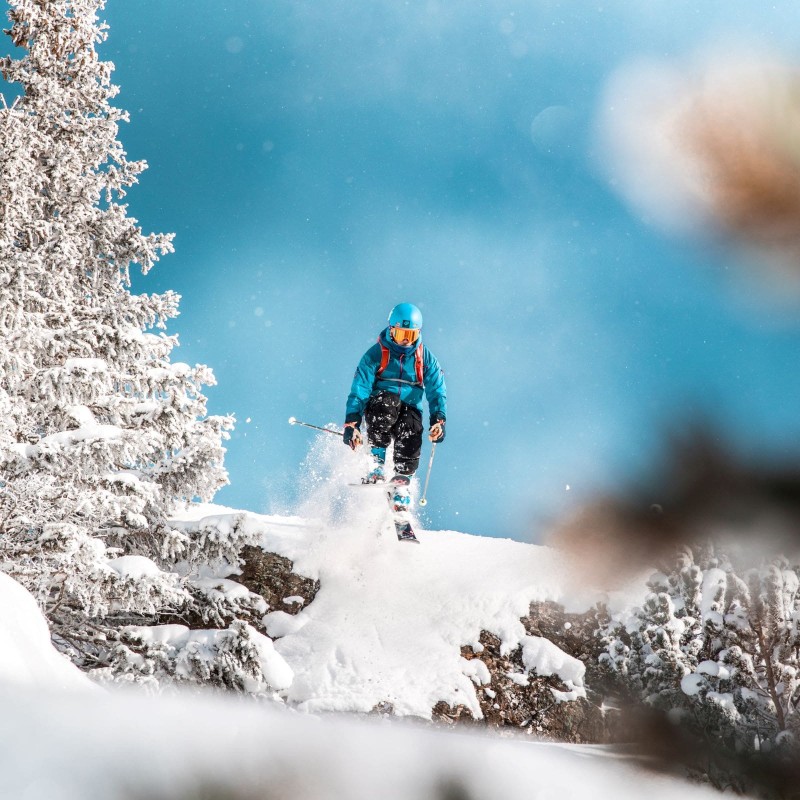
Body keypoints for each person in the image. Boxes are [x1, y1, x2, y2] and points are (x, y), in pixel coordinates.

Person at [343, 302, 446, 507]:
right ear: (391, 331)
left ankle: (401, 482)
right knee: (388, 403)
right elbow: (359, 389)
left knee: (412, 426)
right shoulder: (376, 354)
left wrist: (439, 420)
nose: (406, 341)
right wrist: (351, 424)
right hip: (381, 405)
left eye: (411, 335)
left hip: (409, 408)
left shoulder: (424, 358)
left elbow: (437, 390)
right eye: (401, 335)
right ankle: (376, 463)